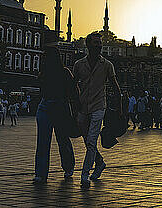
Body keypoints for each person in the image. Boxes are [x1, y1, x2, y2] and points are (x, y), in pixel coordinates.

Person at [73, 32, 122, 187]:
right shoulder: (79, 64)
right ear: (88, 45)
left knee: (92, 140)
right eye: (96, 43)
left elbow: (116, 88)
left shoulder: (107, 65)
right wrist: (73, 104)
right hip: (82, 106)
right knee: (88, 140)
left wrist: (120, 109)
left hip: (99, 106)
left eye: (100, 43)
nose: (99, 46)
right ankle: (99, 162)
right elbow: (73, 85)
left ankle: (85, 174)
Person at [33, 47, 80, 184]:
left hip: (59, 106)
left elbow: (73, 90)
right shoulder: (45, 73)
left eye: (45, 56)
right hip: (47, 105)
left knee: (62, 139)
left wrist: (76, 109)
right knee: (44, 141)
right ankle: (41, 173)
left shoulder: (64, 72)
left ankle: (68, 167)